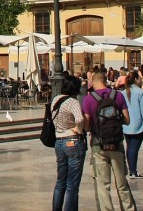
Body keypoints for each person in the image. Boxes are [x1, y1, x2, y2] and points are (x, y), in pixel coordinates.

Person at [81, 70, 137, 211]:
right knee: (122, 183)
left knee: (103, 184)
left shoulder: (88, 99)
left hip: (98, 144)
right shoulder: (118, 96)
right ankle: (129, 208)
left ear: (93, 82)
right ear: (106, 81)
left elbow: (87, 127)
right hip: (116, 143)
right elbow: (127, 120)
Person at [51, 75, 86, 210]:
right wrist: (78, 128)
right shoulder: (72, 102)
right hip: (72, 140)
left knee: (60, 181)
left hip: (59, 141)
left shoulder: (55, 100)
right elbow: (80, 119)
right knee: (72, 183)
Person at [122, 70, 143, 179]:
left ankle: (131, 170)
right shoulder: (142, 93)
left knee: (129, 147)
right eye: (140, 78)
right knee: (134, 148)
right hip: (138, 124)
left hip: (126, 124)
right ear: (136, 79)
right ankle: (133, 171)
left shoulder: (123, 93)